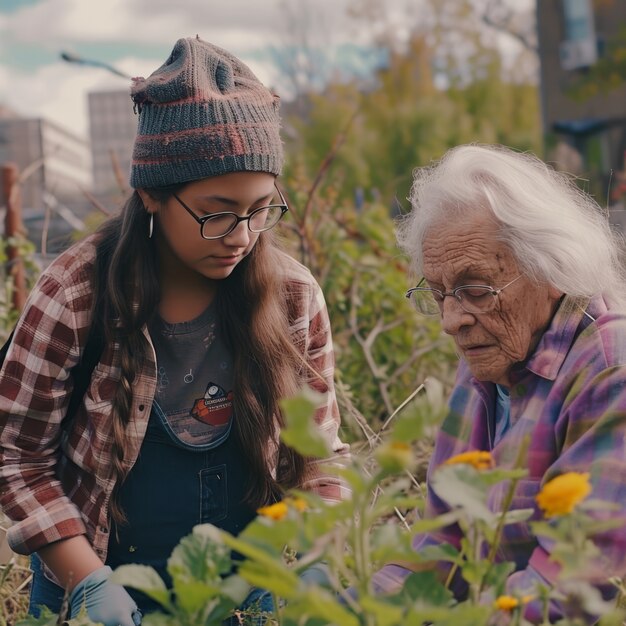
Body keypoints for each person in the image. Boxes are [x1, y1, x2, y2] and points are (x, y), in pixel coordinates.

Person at [0, 36, 348, 625]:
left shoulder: (292, 297)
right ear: (151, 194)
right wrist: (88, 583)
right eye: (216, 212)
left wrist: (323, 556)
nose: (241, 235)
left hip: (241, 594)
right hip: (96, 579)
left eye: (260, 208)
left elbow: (317, 456)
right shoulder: (75, 294)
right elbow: (18, 456)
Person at [372, 144, 626, 623]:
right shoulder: (488, 358)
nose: (451, 320)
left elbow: (569, 586)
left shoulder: (611, 370)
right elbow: (441, 538)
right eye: (439, 292)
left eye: (475, 289)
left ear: (552, 269)